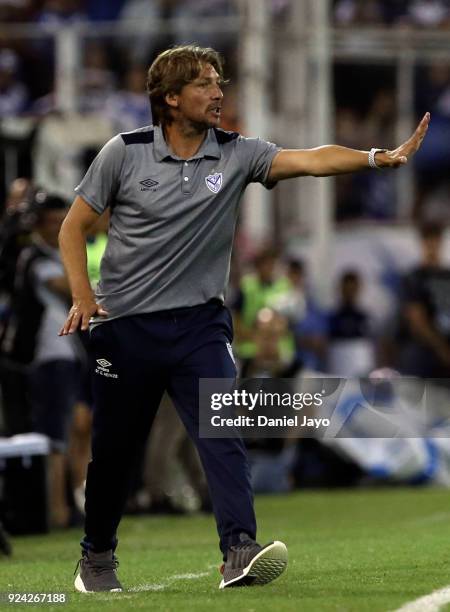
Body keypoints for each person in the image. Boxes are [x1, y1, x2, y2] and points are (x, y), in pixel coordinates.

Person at [58, 45, 429, 593]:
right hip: (127, 327)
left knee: (223, 431)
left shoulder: (237, 153)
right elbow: (72, 228)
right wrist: (82, 295)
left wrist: (376, 157)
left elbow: (310, 158)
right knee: (114, 452)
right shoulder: (124, 152)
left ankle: (238, 549)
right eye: (205, 84)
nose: (218, 92)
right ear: (171, 98)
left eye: (219, 81)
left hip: (200, 326)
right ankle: (96, 557)